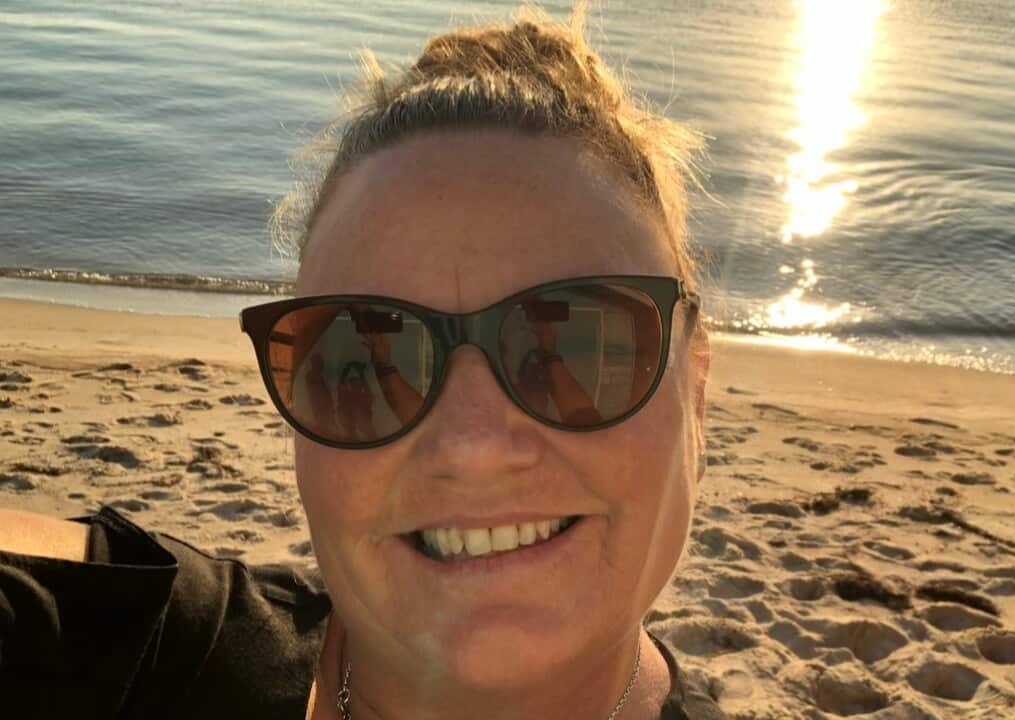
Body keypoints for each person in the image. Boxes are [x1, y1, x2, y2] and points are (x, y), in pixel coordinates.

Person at [0, 3, 722, 718]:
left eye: (576, 347)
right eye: (364, 366)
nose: (471, 448)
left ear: (693, 386)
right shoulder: (148, 663)